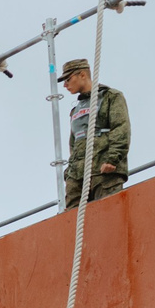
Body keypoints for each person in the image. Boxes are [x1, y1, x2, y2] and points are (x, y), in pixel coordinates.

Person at [60, 58, 130, 210]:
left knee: (109, 213)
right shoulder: (75, 110)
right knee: (71, 221)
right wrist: (70, 173)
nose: (65, 85)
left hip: (103, 170)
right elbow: (74, 143)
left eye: (68, 79)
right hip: (77, 176)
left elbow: (121, 128)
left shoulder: (110, 97)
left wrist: (113, 159)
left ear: (82, 75)